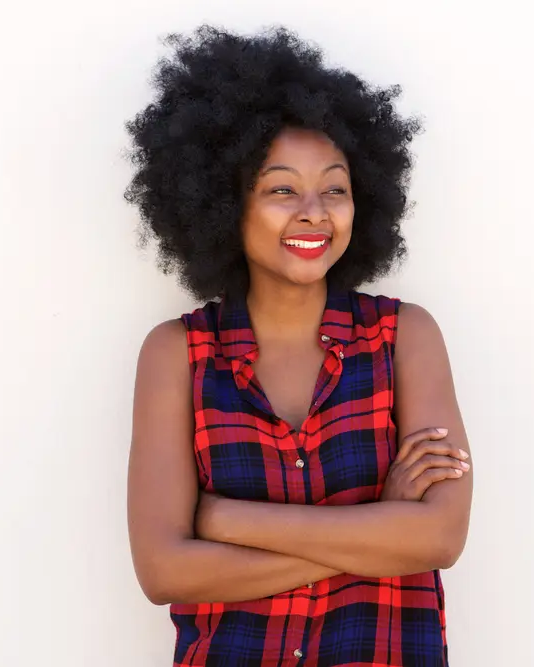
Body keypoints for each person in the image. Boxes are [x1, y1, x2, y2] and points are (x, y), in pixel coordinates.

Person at [124, 25, 473, 666]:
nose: (314, 211)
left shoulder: (405, 339)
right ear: (226, 203)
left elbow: (440, 535)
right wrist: (376, 525)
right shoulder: (177, 354)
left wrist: (224, 521)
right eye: (282, 188)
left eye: (334, 188)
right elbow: (163, 570)